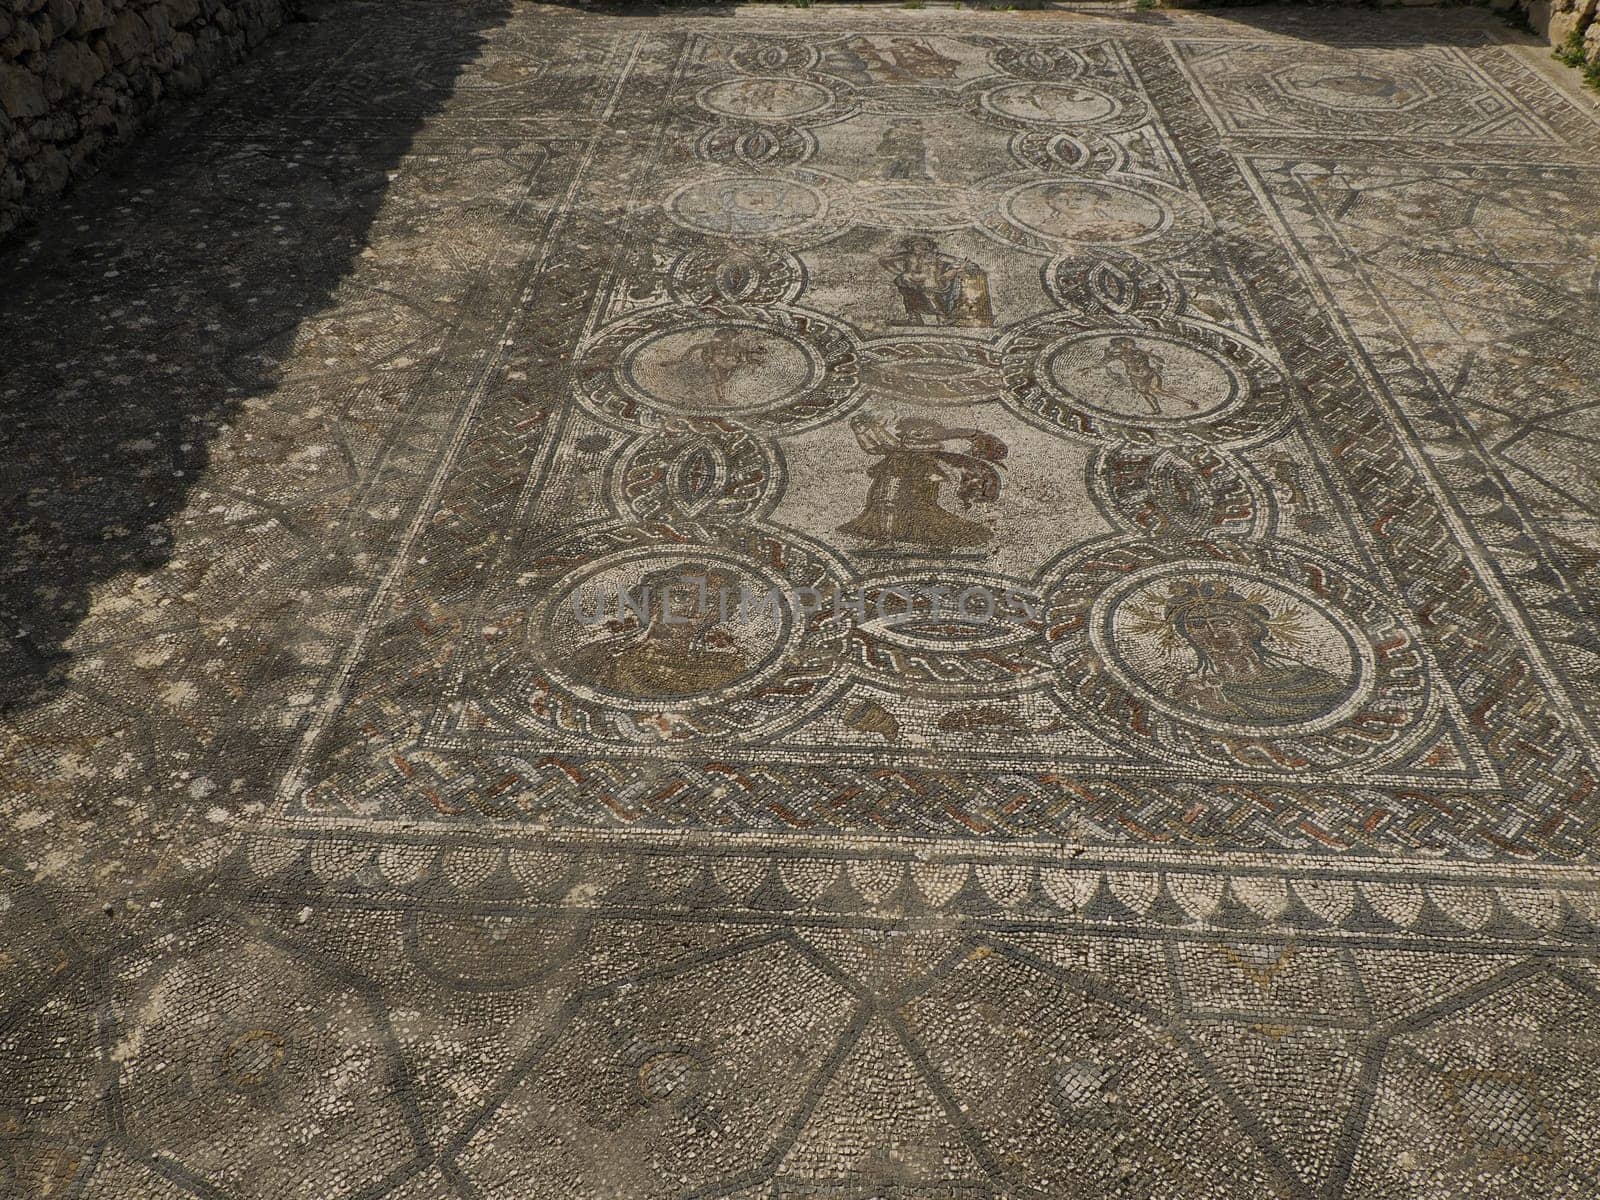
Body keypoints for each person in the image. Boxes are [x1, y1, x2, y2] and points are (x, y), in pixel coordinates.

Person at [1159, 580, 1352, 725]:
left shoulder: (1314, 681)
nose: (1213, 633)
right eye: (1197, 625)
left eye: (1223, 622)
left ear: (1252, 627)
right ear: (1188, 636)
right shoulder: (1189, 691)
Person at [570, 564, 749, 698]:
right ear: (653, 601)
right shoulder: (597, 656)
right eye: (681, 596)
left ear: (716, 615)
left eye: (709, 601)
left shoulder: (724, 669)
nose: (692, 609)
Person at [838, 413, 1006, 548]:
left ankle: (940, 541)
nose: (912, 434)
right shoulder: (901, 442)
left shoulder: (931, 446)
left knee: (923, 510)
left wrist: (876, 428)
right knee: (883, 502)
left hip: (920, 481)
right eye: (909, 431)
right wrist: (859, 431)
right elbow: (873, 448)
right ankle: (885, 540)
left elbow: (898, 446)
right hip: (891, 474)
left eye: (919, 431)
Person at [880, 236, 994, 328]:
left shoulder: (935, 255)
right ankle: (914, 318)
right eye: (916, 244)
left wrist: (968, 265)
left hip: (929, 282)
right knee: (908, 295)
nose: (920, 247)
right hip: (909, 280)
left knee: (929, 294)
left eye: (923, 244)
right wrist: (898, 272)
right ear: (911, 246)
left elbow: (955, 261)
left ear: (929, 246)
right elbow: (884, 260)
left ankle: (942, 317)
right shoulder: (906, 255)